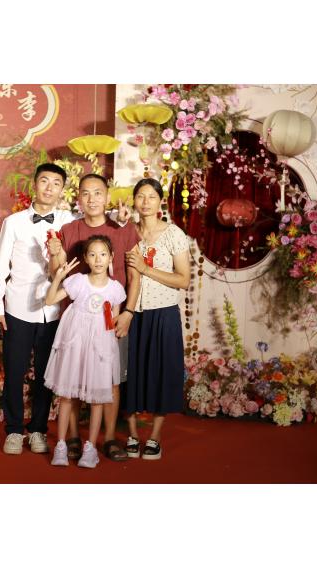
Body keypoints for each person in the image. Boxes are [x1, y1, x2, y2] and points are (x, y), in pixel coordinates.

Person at [48, 174, 140, 462]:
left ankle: (109, 438)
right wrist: (54, 254)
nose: (92, 199)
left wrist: (128, 312)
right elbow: (57, 272)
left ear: (107, 196)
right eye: (85, 193)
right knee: (73, 379)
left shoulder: (123, 228)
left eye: (98, 193)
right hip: (77, 320)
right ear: (78, 198)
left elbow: (135, 275)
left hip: (113, 317)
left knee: (110, 380)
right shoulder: (68, 230)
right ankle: (73, 438)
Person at [0, 163, 74, 455]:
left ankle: (38, 429)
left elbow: (98, 225)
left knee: (46, 375)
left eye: (56, 183)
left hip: (54, 311)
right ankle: (14, 430)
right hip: (18, 308)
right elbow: (0, 267)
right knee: (14, 372)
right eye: (44, 181)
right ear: (35, 185)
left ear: (62, 190)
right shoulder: (13, 222)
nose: (49, 188)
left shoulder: (68, 221)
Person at [44, 235, 126, 468]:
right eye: (92, 254)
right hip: (75, 344)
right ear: (85, 258)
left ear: (111, 257)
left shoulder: (115, 289)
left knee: (97, 399)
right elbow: (50, 300)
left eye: (103, 254)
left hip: (99, 348)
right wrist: (58, 277)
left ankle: (90, 448)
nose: (98, 259)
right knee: (67, 395)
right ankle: (61, 445)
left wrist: (108, 347)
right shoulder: (78, 281)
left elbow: (113, 321)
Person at [123, 178, 190, 460]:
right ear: (134, 201)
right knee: (128, 371)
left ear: (160, 200)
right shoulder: (127, 231)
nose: (146, 202)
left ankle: (155, 436)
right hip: (131, 313)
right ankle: (131, 433)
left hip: (163, 313)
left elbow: (183, 279)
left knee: (162, 371)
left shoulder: (173, 233)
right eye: (140, 196)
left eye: (151, 196)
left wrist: (146, 269)